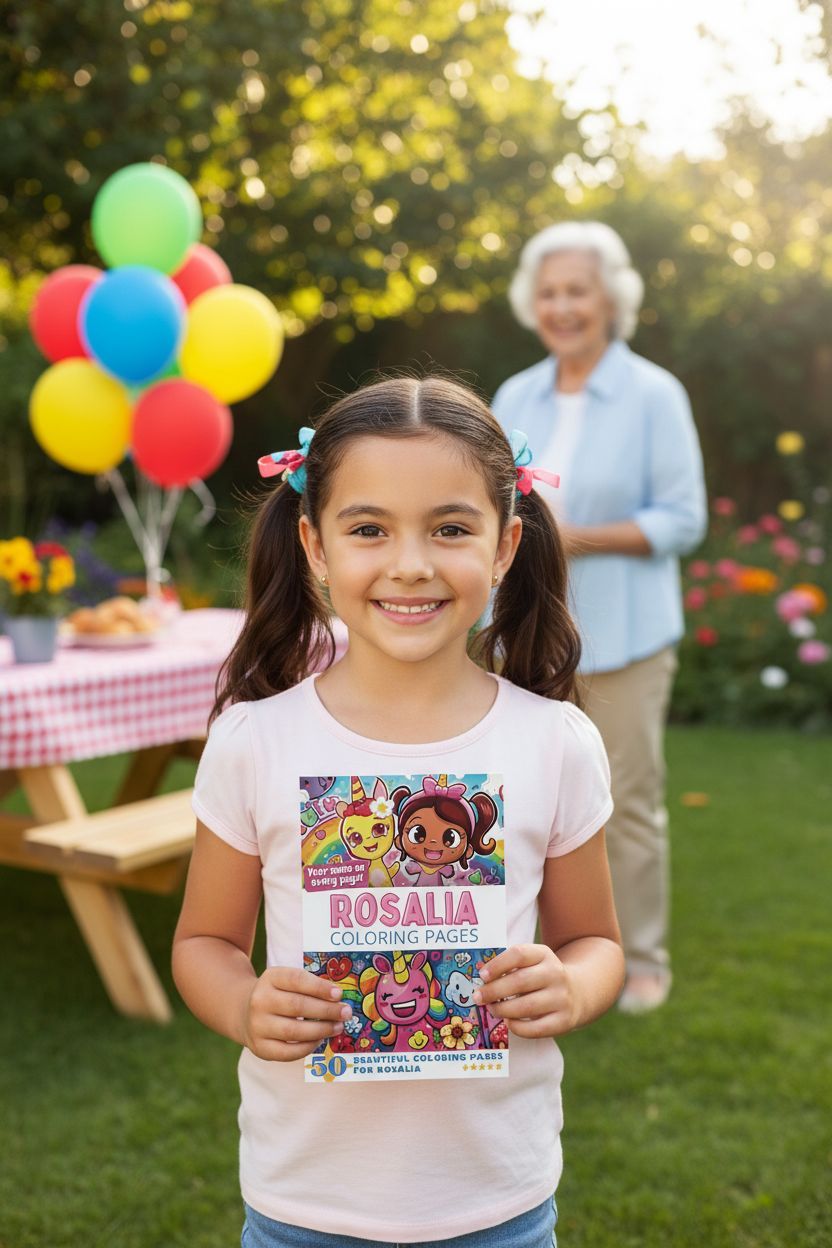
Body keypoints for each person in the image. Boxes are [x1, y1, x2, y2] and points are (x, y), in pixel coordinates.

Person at [172, 375, 625, 1247]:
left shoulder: (555, 742)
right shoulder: (253, 743)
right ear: (314, 544)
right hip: (304, 1204)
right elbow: (205, 945)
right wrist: (242, 1006)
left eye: (451, 528)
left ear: (504, 547)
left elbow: (597, 942)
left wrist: (569, 985)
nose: (410, 563)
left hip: (500, 1203)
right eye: (369, 528)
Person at [492, 222, 707, 1014]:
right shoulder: (515, 396)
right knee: (530, 799)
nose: (562, 306)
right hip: (531, 630)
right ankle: (535, 949)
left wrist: (565, 538)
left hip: (627, 636)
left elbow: (683, 520)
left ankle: (640, 956)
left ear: (611, 299)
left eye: (577, 290)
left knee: (629, 803)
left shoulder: (655, 394)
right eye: (548, 292)